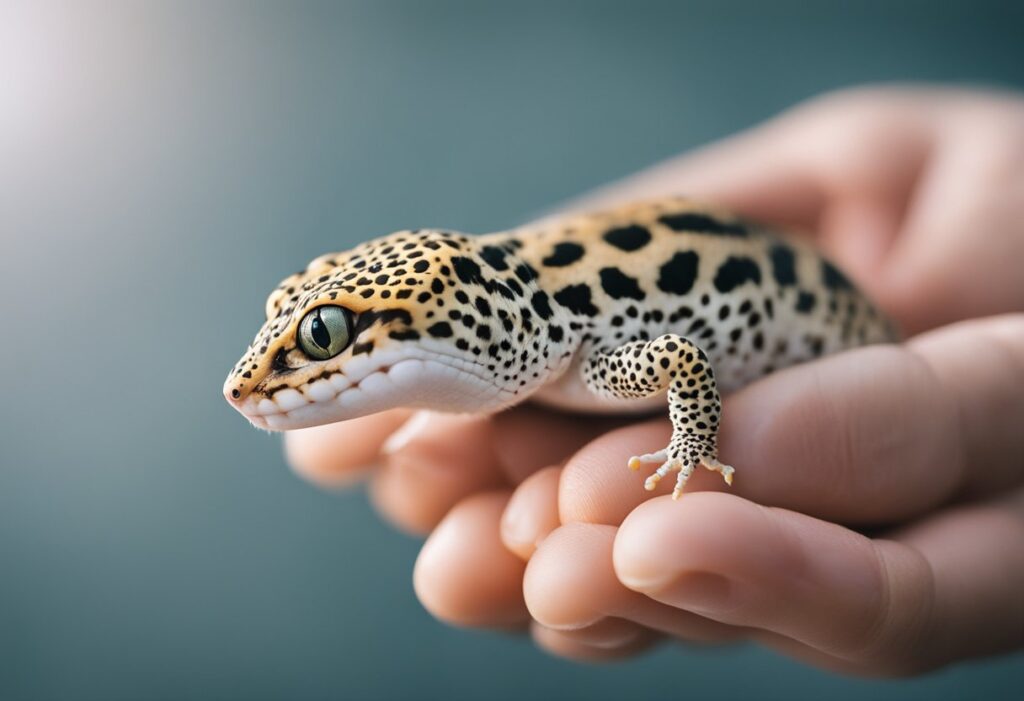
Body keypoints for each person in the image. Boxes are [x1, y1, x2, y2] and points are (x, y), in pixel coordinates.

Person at [283, 86, 1024, 676]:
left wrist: (692, 441)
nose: (259, 382)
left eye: (324, 336)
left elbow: (678, 358)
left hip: (842, 333)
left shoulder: (591, 364)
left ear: (442, 315)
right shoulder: (525, 353)